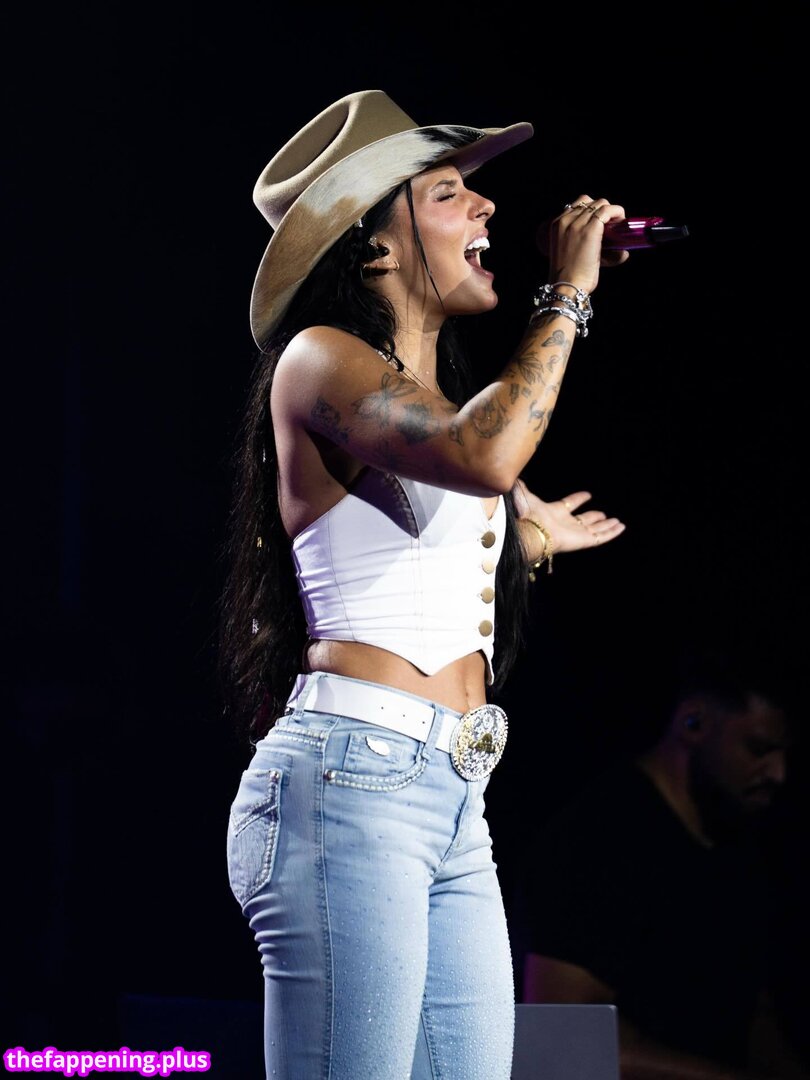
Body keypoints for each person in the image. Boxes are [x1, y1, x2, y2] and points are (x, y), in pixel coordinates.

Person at [218, 88, 627, 1079]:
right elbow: (486, 453)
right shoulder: (320, 360)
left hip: (451, 793)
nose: (487, 207)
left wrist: (530, 541)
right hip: (350, 781)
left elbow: (425, 543)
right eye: (448, 193)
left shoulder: (424, 400)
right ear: (373, 247)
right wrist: (565, 294)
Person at [518, 643, 808, 1079]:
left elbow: (755, 1017)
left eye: (785, 754)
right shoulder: (597, 840)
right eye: (758, 748)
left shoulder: (742, 847)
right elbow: (558, 1043)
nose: (778, 773)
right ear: (693, 723)